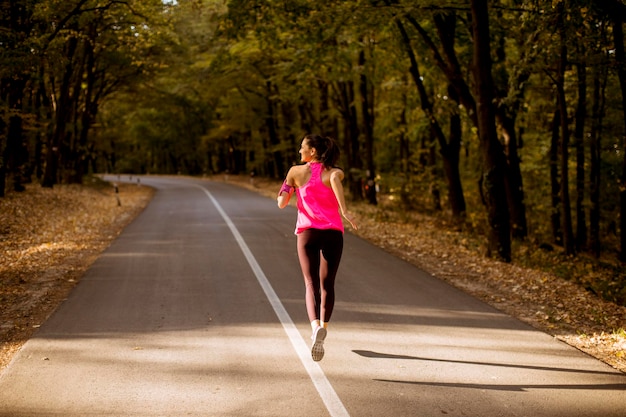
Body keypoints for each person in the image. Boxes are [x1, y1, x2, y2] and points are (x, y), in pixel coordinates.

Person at [277, 134, 358, 361]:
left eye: (302, 147)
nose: (299, 150)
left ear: (312, 151)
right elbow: (334, 180)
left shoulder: (295, 171)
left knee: (310, 282)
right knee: (327, 283)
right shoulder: (333, 171)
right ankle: (324, 326)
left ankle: (314, 329)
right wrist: (344, 211)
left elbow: (282, 203)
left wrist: (288, 186)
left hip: (308, 233)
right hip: (333, 233)